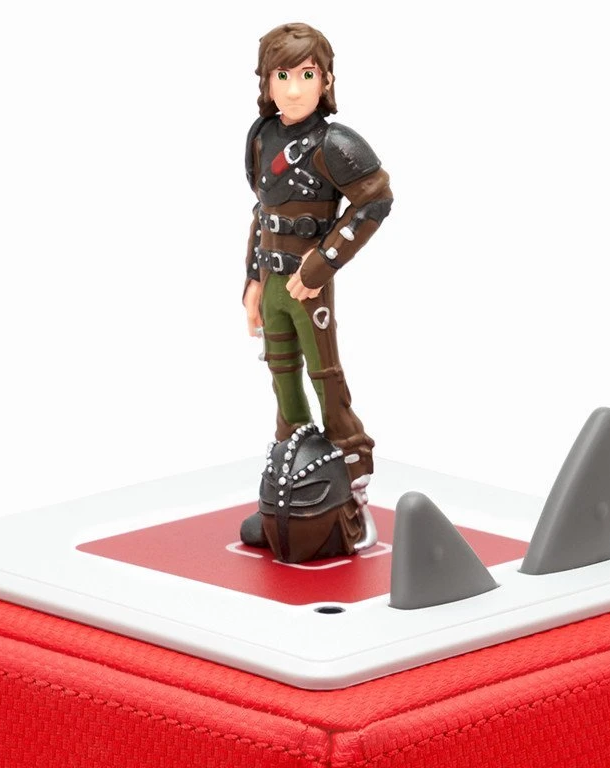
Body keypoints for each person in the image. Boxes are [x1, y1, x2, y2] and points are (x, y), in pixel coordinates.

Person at [239, 22, 393, 556]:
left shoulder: (336, 144)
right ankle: (293, 483)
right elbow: (262, 212)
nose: (294, 89)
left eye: (307, 75)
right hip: (274, 284)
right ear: (266, 81)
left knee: (328, 382)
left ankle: (354, 499)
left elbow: (375, 200)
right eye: (282, 75)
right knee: (283, 379)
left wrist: (321, 264)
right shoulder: (262, 138)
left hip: (309, 290)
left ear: (326, 79)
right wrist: (253, 280)